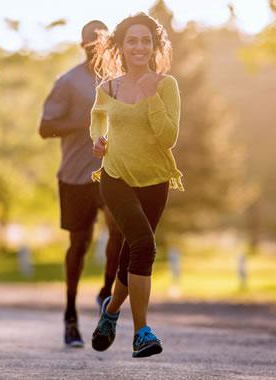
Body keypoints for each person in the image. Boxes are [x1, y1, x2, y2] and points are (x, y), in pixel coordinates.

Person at [88, 13, 182, 359]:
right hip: (115, 178)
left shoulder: (166, 85)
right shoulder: (108, 87)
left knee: (133, 251)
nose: (139, 47)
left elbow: (168, 138)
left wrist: (150, 95)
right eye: (132, 41)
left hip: (156, 180)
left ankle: (111, 312)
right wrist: (98, 140)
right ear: (122, 47)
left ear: (154, 46)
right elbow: (97, 121)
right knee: (144, 244)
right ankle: (142, 331)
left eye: (146, 41)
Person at [38, 20, 124, 348]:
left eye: (102, 40)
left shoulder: (121, 81)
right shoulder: (68, 82)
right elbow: (45, 128)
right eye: (91, 41)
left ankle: (105, 293)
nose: (96, 46)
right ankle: (70, 314)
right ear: (82, 44)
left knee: (119, 230)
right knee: (80, 243)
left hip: (113, 171)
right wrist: (88, 119)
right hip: (75, 174)